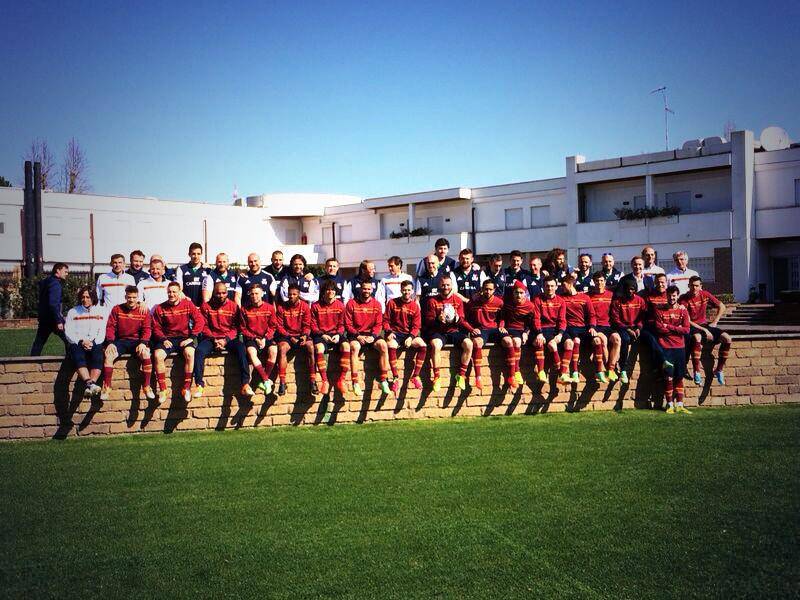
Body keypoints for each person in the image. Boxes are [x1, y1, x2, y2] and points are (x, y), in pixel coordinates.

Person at [151, 281, 205, 404]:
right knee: (158, 355)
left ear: (180, 292)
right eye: (169, 292)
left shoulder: (187, 304)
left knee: (191, 353)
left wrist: (192, 337)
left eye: (174, 291)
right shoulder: (160, 308)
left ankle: (186, 388)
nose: (171, 294)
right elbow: (156, 327)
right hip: (167, 339)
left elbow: (200, 320)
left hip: (184, 338)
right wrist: (163, 339)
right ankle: (163, 389)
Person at [195, 281, 252, 398]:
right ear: (213, 293)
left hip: (228, 338)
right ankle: (199, 384)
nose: (221, 295)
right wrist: (214, 339)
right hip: (212, 338)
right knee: (199, 350)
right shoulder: (206, 306)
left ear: (227, 293)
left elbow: (237, 327)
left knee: (242, 349)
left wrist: (225, 340)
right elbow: (203, 326)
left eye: (223, 293)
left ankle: (245, 384)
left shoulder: (233, 306)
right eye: (218, 293)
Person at [101, 285, 153, 401]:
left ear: (137, 297)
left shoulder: (143, 310)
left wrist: (144, 342)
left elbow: (147, 329)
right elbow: (110, 327)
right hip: (121, 341)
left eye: (134, 297)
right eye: (129, 297)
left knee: (145, 354)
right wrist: (110, 342)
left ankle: (147, 386)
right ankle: (107, 387)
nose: (131, 300)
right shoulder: (117, 309)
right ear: (125, 296)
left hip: (137, 342)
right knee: (108, 355)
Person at [423, 274, 474, 392]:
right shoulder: (432, 301)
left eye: (448, 285)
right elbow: (428, 322)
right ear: (439, 286)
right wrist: (437, 319)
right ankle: (437, 377)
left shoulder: (457, 300)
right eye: (443, 285)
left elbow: (462, 320)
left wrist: (457, 319)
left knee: (469, 344)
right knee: (435, 345)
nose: (445, 287)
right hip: (438, 331)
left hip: (453, 331)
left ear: (452, 286)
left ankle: (461, 375)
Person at [679, 275, 731, 386]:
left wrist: (715, 321)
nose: (694, 288)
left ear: (700, 286)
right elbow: (687, 321)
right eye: (692, 285)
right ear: (688, 286)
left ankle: (719, 369)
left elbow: (722, 306)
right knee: (697, 337)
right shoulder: (683, 299)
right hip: (692, 326)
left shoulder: (705, 295)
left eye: (697, 286)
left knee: (727, 338)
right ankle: (697, 371)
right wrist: (705, 330)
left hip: (704, 325)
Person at [345, 280, 390, 395]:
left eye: (369, 289)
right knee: (354, 347)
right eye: (364, 288)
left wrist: (374, 336)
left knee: (383, 345)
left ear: (372, 290)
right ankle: (355, 382)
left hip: (371, 335)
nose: (366, 291)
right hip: (356, 335)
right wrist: (357, 336)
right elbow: (348, 324)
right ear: (360, 289)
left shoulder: (377, 304)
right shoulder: (351, 303)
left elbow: (379, 324)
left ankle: (383, 380)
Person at [653, 285, 691, 414]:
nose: (671, 298)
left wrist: (668, 326)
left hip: (680, 348)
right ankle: (669, 404)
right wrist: (676, 328)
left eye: (674, 295)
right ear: (666, 296)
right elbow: (659, 329)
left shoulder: (683, 311)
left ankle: (680, 404)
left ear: (678, 296)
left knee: (679, 377)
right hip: (666, 348)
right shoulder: (659, 310)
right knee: (668, 377)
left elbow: (686, 330)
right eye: (669, 295)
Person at [383, 279, 426, 392]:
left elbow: (417, 326)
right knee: (391, 345)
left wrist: (411, 337)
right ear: (401, 290)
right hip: (395, 333)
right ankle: (396, 377)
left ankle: (415, 376)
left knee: (422, 345)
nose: (406, 292)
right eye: (404, 290)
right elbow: (385, 321)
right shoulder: (392, 302)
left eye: (408, 290)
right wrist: (389, 332)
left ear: (412, 291)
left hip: (408, 335)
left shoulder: (415, 306)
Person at [64, 285, 106, 398]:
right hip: (78, 342)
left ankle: (89, 386)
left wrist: (93, 342)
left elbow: (102, 330)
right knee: (77, 355)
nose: (85, 299)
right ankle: (90, 383)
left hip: (94, 342)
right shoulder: (73, 312)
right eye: (83, 297)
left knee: (98, 355)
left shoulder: (101, 311)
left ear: (93, 297)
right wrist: (81, 341)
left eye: (88, 297)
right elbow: (68, 331)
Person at [558, 274, 599, 384]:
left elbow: (592, 315)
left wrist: (592, 326)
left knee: (597, 340)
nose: (562, 287)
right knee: (576, 341)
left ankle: (600, 371)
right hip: (569, 328)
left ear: (570, 284)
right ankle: (575, 372)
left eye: (563, 285)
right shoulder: (561, 298)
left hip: (583, 327)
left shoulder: (584, 297)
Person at [311, 280, 349, 395]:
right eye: (328, 290)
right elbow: (313, 325)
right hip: (321, 334)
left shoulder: (340, 305)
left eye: (332, 290)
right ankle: (324, 381)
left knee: (346, 346)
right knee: (319, 349)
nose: (330, 292)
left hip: (336, 334)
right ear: (323, 292)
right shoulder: (315, 306)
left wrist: (339, 334)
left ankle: (342, 379)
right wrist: (322, 334)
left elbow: (342, 324)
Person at [276, 284, 315, 395]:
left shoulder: (305, 306)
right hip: (287, 336)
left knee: (311, 347)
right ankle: (282, 383)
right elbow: (279, 326)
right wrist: (289, 337)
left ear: (299, 295)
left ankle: (313, 381)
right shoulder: (281, 307)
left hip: (301, 335)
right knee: (282, 349)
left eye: (294, 294)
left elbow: (307, 325)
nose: (291, 296)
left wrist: (304, 335)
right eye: (290, 294)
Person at [240, 283, 278, 395]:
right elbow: (243, 328)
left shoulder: (270, 308)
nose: (254, 296)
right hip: (252, 338)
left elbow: (273, 326)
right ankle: (266, 380)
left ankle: (263, 379)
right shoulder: (244, 309)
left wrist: (265, 338)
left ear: (262, 294)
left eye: (256, 293)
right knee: (251, 353)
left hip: (266, 337)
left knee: (274, 351)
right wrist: (255, 338)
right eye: (252, 294)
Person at [467, 279, 504, 390]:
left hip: (494, 329)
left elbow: (503, 317)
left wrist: (501, 325)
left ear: (494, 290)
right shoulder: (474, 302)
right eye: (486, 289)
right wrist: (472, 328)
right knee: (477, 343)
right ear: (482, 289)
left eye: (490, 289)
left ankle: (513, 374)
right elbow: (466, 318)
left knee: (508, 341)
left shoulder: (499, 302)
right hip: (481, 330)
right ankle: (478, 377)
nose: (488, 291)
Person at [609, 281, 647, 384]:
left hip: (636, 327)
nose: (630, 291)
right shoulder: (617, 302)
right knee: (625, 339)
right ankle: (623, 369)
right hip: (623, 327)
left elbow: (643, 317)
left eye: (632, 289)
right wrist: (628, 329)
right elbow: (615, 319)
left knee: (649, 339)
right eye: (628, 289)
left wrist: (639, 327)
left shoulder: (640, 301)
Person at [500, 280, 535, 388]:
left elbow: (531, 324)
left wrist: (526, 333)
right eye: (516, 293)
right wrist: (501, 326)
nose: (518, 295)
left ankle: (515, 372)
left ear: (525, 293)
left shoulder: (530, 306)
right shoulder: (507, 303)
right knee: (510, 341)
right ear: (513, 293)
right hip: (508, 329)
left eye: (521, 293)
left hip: (520, 330)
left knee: (517, 341)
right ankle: (515, 372)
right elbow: (502, 317)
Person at [532, 276, 567, 384]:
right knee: (546, 343)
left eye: (552, 286)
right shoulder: (537, 299)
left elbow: (562, 320)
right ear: (543, 287)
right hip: (543, 328)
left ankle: (563, 374)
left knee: (570, 342)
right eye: (547, 286)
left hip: (555, 330)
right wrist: (539, 333)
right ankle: (544, 372)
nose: (549, 288)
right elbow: (536, 318)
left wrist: (560, 334)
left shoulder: (561, 301)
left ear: (556, 287)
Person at [30, 262, 68, 356]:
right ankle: (71, 361)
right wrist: (58, 320)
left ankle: (31, 363)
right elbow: (53, 304)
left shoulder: (46, 281)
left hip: (44, 318)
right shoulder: (55, 284)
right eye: (65, 271)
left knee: (39, 343)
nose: (67, 274)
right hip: (53, 319)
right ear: (58, 270)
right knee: (69, 339)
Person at [639, 272, 673, 373]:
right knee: (652, 338)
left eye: (662, 282)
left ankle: (660, 369)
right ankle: (661, 363)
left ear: (666, 283)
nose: (660, 284)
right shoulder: (649, 295)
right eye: (657, 282)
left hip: (666, 325)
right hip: (650, 325)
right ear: (654, 283)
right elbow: (642, 312)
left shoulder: (670, 295)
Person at [587, 272, 614, 381]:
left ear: (605, 281)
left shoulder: (611, 295)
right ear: (593, 282)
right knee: (601, 340)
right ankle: (603, 369)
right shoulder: (588, 296)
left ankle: (611, 368)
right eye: (597, 281)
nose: (599, 283)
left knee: (617, 340)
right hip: (595, 326)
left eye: (602, 280)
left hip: (608, 326)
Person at [175, 242, 208, 307]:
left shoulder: (207, 269)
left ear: (201, 254)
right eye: (193, 254)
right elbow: (178, 289)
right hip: (186, 307)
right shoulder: (181, 269)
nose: (196, 256)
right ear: (189, 254)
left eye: (198, 254)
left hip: (202, 308)